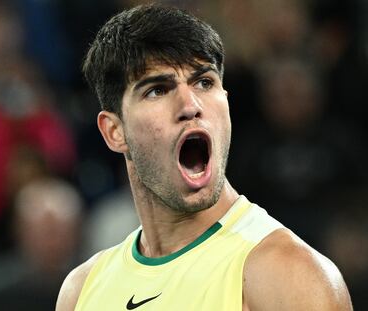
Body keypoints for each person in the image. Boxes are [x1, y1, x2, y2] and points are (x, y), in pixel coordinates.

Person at [57, 4, 352, 310]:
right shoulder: (81, 290)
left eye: (204, 82)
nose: (191, 104)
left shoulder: (288, 275)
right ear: (114, 131)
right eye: (158, 89)